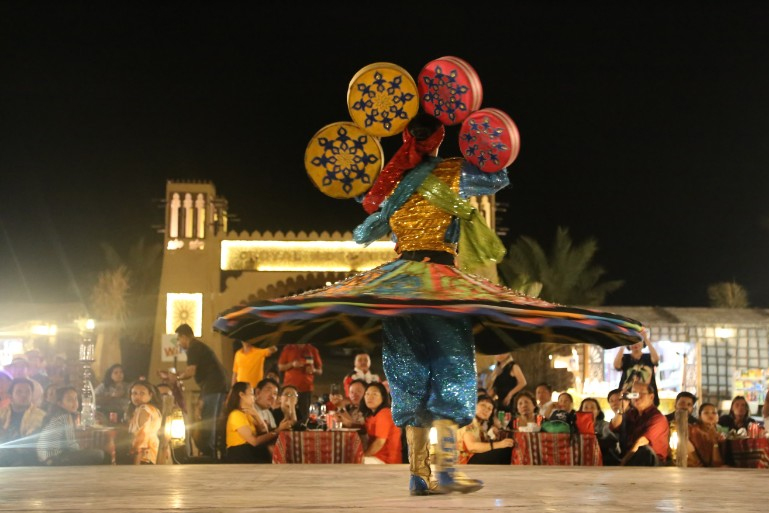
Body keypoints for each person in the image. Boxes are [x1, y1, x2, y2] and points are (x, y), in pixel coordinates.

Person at [213, 108, 645, 495]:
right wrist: (478, 137)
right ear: (438, 138)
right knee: (452, 382)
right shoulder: (452, 171)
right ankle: (449, 471)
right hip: (440, 290)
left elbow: (369, 221)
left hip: (399, 291)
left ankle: (419, 476)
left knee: (409, 390)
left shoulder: (395, 178)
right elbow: (499, 175)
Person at [174, 323, 229, 458]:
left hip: (213, 387)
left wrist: (175, 378)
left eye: (178, 340)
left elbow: (190, 372)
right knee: (211, 419)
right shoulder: (198, 347)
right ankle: (212, 451)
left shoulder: (194, 347)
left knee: (208, 420)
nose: (179, 344)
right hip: (216, 386)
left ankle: (209, 454)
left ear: (184, 336)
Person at [36, 386, 105, 465]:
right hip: (53, 459)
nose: (74, 402)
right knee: (99, 454)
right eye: (69, 400)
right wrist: (82, 450)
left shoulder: (55, 414)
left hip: (44, 458)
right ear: (60, 403)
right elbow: (71, 444)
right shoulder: (65, 416)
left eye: (75, 398)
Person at [610, 382, 669, 466]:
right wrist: (621, 408)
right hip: (630, 456)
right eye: (634, 394)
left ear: (651, 397)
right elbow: (613, 427)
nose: (637, 398)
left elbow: (641, 442)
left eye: (641, 394)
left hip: (650, 461)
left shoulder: (658, 418)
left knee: (644, 450)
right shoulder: (631, 413)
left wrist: (623, 462)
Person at [222, 382, 275, 463]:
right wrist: (276, 432)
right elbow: (254, 441)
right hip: (240, 455)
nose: (254, 397)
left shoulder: (248, 413)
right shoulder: (236, 414)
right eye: (251, 394)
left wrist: (256, 415)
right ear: (242, 395)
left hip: (250, 453)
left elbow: (264, 431)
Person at [0, 378, 46, 466]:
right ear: (10, 396)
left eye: (27, 392)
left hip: (29, 458)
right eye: (19, 392)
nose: (24, 395)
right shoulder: (1, 413)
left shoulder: (41, 416)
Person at [457, 395, 513, 464]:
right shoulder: (468, 421)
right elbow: (471, 447)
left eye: (489, 408)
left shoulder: (479, 426)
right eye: (483, 405)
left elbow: (484, 445)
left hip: (472, 458)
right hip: (464, 461)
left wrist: (496, 439)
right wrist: (499, 444)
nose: (486, 409)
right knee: (504, 451)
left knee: (506, 449)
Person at [277, 343, 322, 423]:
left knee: (304, 416)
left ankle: (302, 432)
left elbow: (320, 370)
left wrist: (313, 370)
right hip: (289, 388)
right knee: (287, 414)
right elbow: (280, 367)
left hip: (306, 388)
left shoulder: (312, 349)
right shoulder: (288, 348)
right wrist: (292, 364)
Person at [360, 382, 401, 464]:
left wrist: (363, 456)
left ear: (383, 397)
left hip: (386, 461)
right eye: (367, 394)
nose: (370, 397)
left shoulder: (384, 414)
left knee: (351, 461)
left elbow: (379, 442)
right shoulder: (374, 414)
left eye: (374, 394)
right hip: (377, 457)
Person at [614, 339, 660, 406]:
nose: (635, 344)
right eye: (631, 342)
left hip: (646, 394)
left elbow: (656, 359)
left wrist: (646, 339)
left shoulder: (648, 357)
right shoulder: (625, 358)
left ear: (643, 343)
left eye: (638, 341)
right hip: (627, 395)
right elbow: (616, 365)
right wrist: (623, 345)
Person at [126, 380, 163, 465]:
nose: (137, 396)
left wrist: (136, 464)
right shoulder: (153, 409)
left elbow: (142, 437)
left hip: (143, 457)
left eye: (142, 393)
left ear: (151, 395)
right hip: (153, 454)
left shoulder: (144, 409)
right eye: (134, 393)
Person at [579, 397, 620, 465]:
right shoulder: (576, 426)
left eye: (592, 407)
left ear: (598, 411)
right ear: (581, 411)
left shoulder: (605, 425)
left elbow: (611, 441)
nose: (589, 410)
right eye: (586, 407)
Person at [687, 402, 725, 468]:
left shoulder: (721, 431)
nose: (710, 415)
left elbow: (717, 463)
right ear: (700, 416)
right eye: (706, 413)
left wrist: (715, 442)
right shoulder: (693, 430)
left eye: (714, 413)